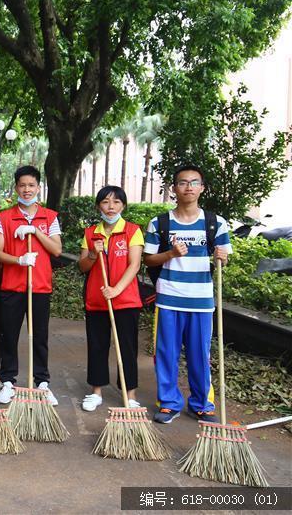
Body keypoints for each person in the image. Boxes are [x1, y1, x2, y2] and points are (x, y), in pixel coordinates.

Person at [144, 165, 231, 424]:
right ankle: (169, 403)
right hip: (168, 298)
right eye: (183, 183)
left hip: (202, 301)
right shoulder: (159, 223)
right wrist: (170, 253)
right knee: (167, 353)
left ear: (202, 188)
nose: (188, 187)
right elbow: (149, 259)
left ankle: (201, 404)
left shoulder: (215, 223)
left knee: (199, 354)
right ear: (174, 188)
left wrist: (221, 258)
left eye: (194, 182)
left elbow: (223, 259)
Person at [0, 165, 62, 405]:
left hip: (40, 286)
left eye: (31, 185)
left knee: (39, 336)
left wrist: (35, 231)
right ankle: (8, 380)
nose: (26, 189)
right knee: (9, 335)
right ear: (16, 188)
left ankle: (42, 381)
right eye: (22, 185)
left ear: (38, 188)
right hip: (12, 286)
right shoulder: (4, 217)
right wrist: (19, 260)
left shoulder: (50, 216)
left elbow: (56, 249)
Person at [77, 186, 144, 411]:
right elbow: (83, 266)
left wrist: (116, 290)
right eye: (106, 202)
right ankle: (96, 391)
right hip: (96, 299)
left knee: (127, 347)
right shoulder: (90, 233)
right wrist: (94, 254)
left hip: (125, 300)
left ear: (123, 206)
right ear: (99, 206)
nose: (111, 207)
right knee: (97, 345)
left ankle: (130, 394)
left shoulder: (132, 231)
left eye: (116, 202)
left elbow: (134, 265)